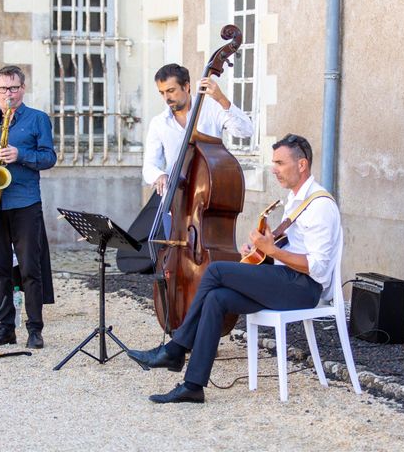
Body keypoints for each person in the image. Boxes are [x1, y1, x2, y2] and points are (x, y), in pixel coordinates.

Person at [127, 134, 341, 403]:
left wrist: (272, 250)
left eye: (280, 163)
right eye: (273, 162)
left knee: (216, 271)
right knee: (217, 298)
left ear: (302, 165)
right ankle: (193, 385)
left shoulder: (320, 206)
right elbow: (291, 250)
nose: (274, 169)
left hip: (304, 289)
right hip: (286, 280)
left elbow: (317, 267)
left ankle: (176, 347)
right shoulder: (294, 200)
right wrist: (260, 252)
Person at [0, 65, 57, 349]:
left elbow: (49, 158)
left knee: (31, 268)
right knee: (0, 270)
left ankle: (34, 330)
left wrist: (21, 155)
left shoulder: (38, 119)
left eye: (15, 88)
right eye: (4, 89)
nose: (9, 94)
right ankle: (6, 328)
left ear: (23, 88)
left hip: (26, 203)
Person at [142, 63, 253, 196]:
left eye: (171, 91)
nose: (166, 98)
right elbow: (149, 166)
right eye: (162, 93)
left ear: (186, 87)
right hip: (175, 202)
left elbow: (246, 130)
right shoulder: (158, 123)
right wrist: (159, 175)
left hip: (210, 196)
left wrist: (221, 99)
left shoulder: (211, 108)